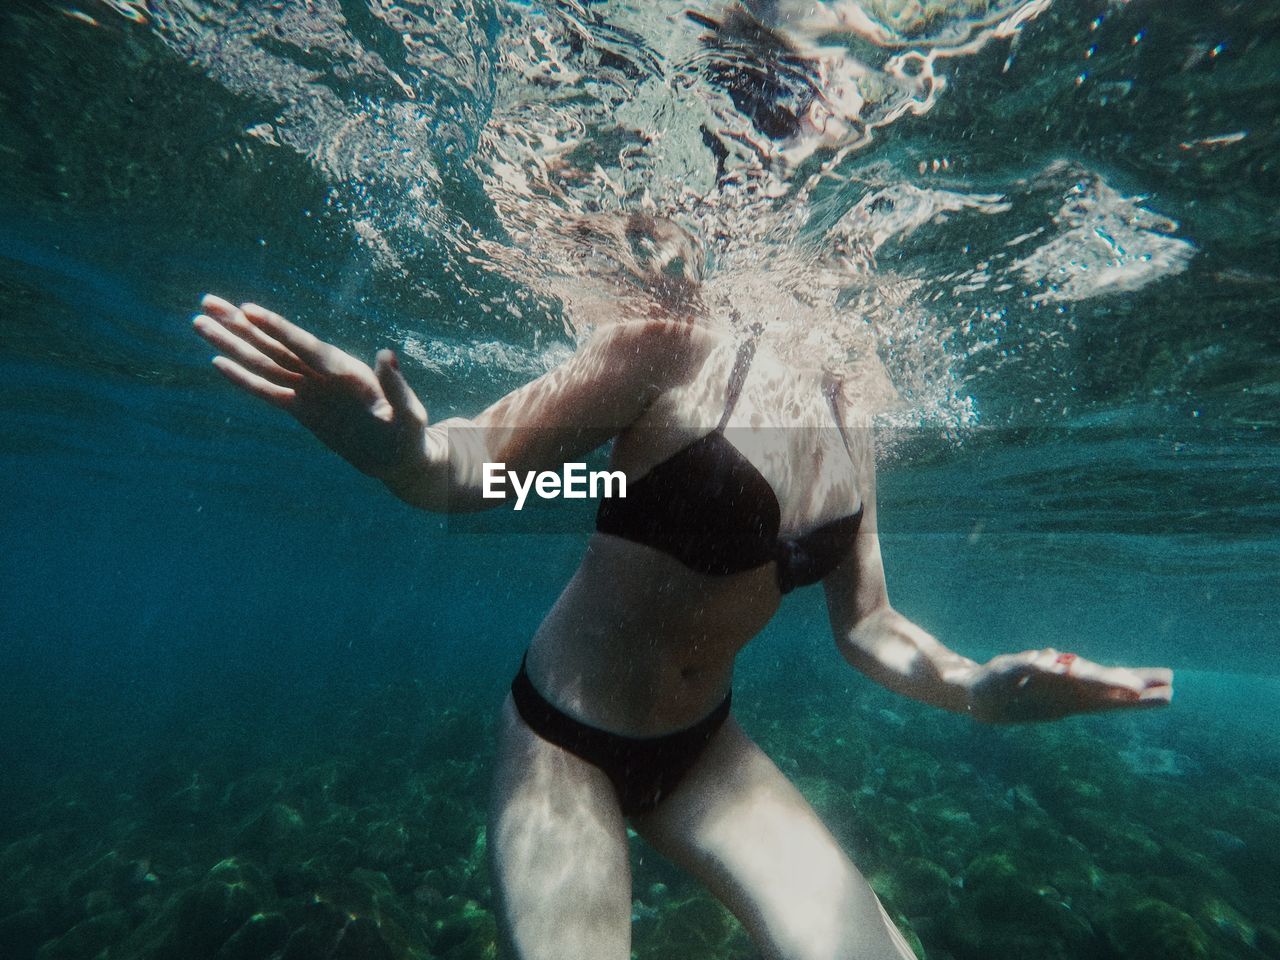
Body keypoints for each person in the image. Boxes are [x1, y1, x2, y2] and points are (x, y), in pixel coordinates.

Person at [192, 220, 1172, 959]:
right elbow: (470, 472)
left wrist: (973, 688)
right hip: (561, 741)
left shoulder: (851, 411)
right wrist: (397, 450)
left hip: (702, 748)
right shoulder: (671, 341)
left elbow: (867, 624)